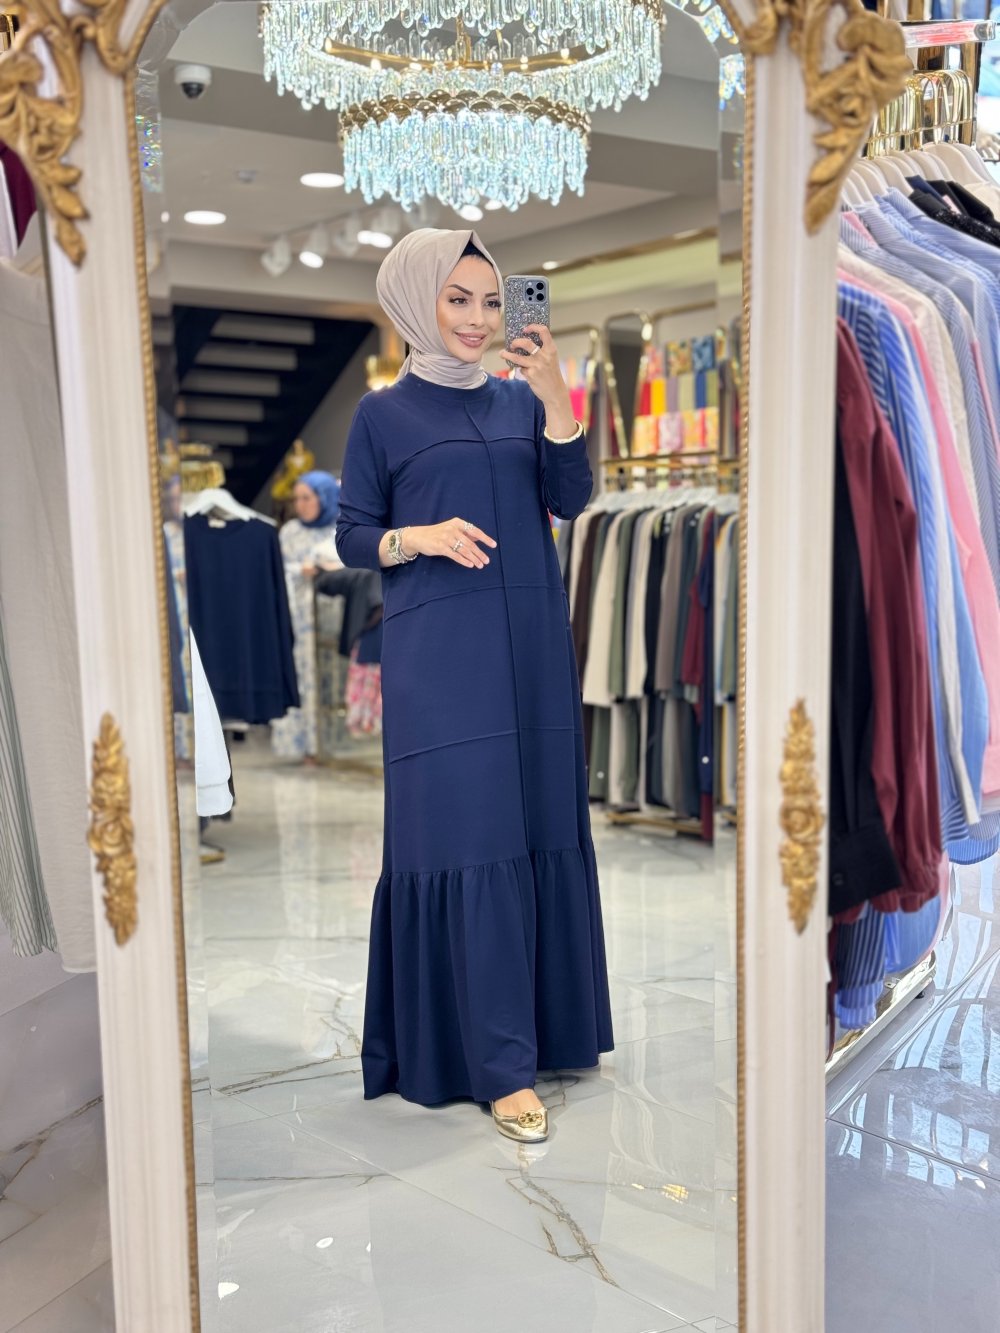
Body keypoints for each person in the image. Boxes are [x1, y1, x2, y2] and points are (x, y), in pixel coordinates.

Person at [336, 228, 613, 1143]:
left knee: (535, 823)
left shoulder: (519, 399)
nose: (478, 318)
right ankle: (498, 1063)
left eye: (492, 301)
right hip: (440, 656)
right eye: (457, 298)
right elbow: (353, 535)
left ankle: (549, 1031)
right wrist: (416, 537)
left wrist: (555, 395)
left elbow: (570, 497)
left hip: (531, 645)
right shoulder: (382, 414)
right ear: (415, 299)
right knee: (469, 829)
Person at [271, 470, 341, 763]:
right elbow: (276, 569)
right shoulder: (289, 532)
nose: (300, 505)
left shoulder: (340, 529)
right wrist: (301, 570)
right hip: (297, 616)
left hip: (332, 615)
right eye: (296, 499)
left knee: (330, 677)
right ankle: (302, 746)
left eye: (307, 498)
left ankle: (329, 746)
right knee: (302, 677)